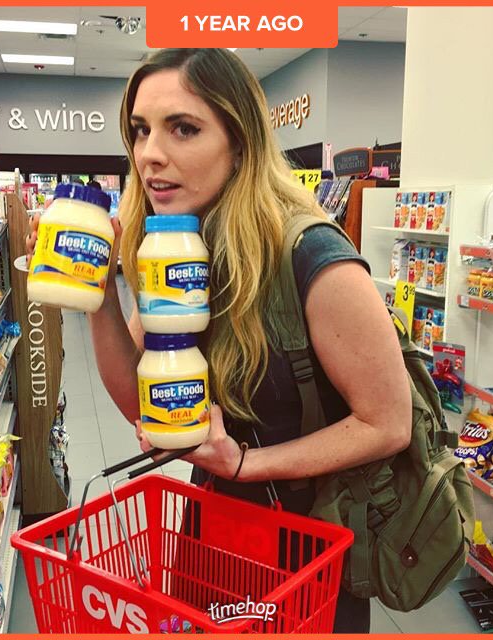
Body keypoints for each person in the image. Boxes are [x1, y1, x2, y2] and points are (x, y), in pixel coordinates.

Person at [27, 48, 411, 633]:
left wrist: (244, 464)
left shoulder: (313, 255)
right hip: (212, 532)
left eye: (183, 128)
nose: (150, 154)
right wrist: (99, 295)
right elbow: (144, 405)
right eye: (141, 130)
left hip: (307, 548)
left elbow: (387, 423)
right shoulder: (176, 247)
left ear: (240, 143)